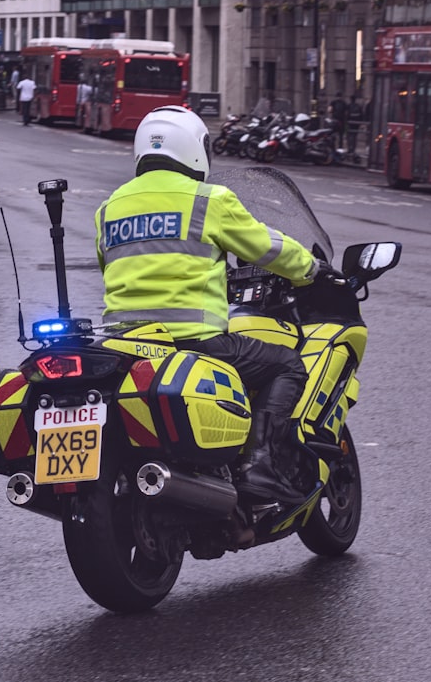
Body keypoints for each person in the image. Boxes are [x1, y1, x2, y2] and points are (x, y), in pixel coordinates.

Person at [95, 105, 321, 504]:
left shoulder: (110, 207)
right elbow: (267, 247)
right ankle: (260, 463)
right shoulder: (209, 201)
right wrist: (310, 269)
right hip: (193, 341)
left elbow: (109, 266)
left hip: (124, 345)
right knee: (287, 365)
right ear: (195, 149)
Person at [346, 94, 364, 159]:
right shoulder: (358, 106)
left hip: (350, 123)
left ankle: (350, 149)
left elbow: (346, 115)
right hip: (356, 124)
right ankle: (353, 149)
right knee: (354, 136)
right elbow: (361, 115)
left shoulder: (349, 106)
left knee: (349, 136)